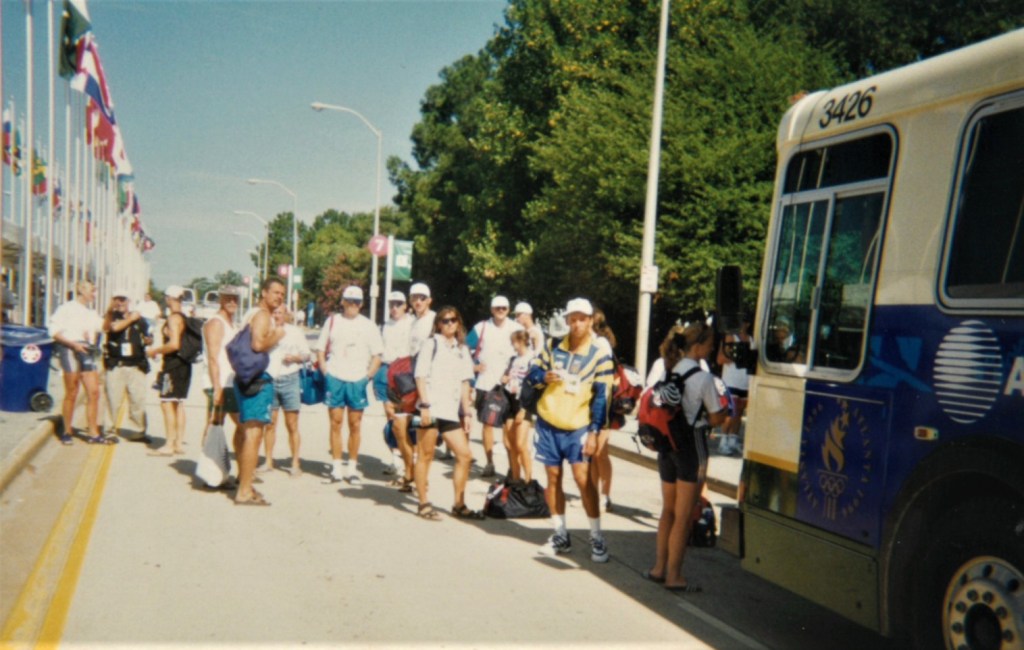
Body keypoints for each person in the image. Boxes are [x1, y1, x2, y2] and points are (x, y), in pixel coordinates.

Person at [527, 298, 614, 562]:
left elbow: (602, 396)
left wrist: (595, 432)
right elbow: (532, 373)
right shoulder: (553, 346)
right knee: (552, 479)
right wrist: (543, 377)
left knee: (583, 480)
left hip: (578, 426)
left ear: (590, 321)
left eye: (582, 319)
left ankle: (597, 537)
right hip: (548, 422)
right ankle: (560, 533)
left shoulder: (600, 354)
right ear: (567, 320)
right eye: (572, 318)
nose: (576, 324)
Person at [645, 321, 726, 593]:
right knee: (683, 515)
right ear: (699, 345)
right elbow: (716, 417)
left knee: (668, 511)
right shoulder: (704, 378)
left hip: (667, 447)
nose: (712, 348)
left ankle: (658, 568)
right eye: (710, 344)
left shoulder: (671, 369)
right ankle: (674, 576)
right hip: (691, 447)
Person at [412, 306, 480, 520]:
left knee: (465, 455)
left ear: (459, 323)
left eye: (453, 320)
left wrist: (467, 413)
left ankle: (458, 504)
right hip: (431, 408)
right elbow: (420, 376)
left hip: (450, 412)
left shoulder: (462, 349)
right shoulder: (431, 344)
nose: (449, 324)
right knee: (426, 455)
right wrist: (424, 406)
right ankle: (423, 503)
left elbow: (464, 381)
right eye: (444, 320)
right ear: (438, 324)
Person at [316, 285, 383, 483]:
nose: (352, 305)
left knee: (355, 424)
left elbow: (377, 355)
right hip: (335, 377)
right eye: (348, 301)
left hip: (357, 380)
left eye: (356, 302)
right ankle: (336, 468)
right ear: (342, 301)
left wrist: (367, 377)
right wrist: (326, 372)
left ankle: (351, 468)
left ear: (361, 304)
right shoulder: (333, 321)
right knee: (335, 423)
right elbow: (320, 349)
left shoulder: (368, 325)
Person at [233, 277, 286, 505]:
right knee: (254, 436)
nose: (279, 297)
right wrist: (278, 334)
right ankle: (244, 491)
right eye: (275, 292)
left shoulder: (254, 314)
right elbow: (257, 345)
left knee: (248, 434)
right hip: (259, 381)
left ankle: (245, 484)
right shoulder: (263, 316)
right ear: (263, 293)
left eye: (281, 293)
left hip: (249, 380)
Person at [48, 280, 108, 445]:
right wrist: (73, 344)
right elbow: (54, 332)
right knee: (72, 392)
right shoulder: (66, 308)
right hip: (69, 349)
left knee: (94, 392)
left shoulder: (91, 313)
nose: (94, 294)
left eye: (95, 291)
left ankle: (93, 433)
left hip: (86, 351)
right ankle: (67, 430)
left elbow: (104, 327)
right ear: (81, 290)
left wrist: (112, 311)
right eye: (91, 290)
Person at [388, 281, 435, 492]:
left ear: (429, 300)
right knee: (398, 427)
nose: (417, 301)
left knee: (425, 436)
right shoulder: (412, 322)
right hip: (409, 382)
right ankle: (409, 471)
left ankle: (420, 479)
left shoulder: (435, 320)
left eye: (422, 298)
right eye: (414, 297)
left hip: (429, 384)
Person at [468, 295, 523, 477]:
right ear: (491, 310)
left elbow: (526, 352)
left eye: (504, 308)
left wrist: (514, 374)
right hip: (485, 384)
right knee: (487, 425)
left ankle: (511, 466)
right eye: (497, 308)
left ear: (509, 310)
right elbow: (464, 350)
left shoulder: (516, 328)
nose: (501, 310)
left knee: (508, 428)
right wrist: (473, 367)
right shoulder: (481, 327)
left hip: (509, 386)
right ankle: (489, 463)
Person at [262, 305, 311, 476]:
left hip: (291, 378)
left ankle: (295, 462)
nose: (277, 315)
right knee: (270, 424)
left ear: (286, 315)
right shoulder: (266, 330)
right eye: (274, 312)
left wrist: (295, 358)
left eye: (280, 313)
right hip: (270, 379)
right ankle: (268, 460)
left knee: (292, 424)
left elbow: (307, 354)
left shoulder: (295, 332)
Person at [146, 286, 193, 456]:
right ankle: (178, 443)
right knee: (178, 403)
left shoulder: (173, 319)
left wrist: (155, 351)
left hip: (172, 365)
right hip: (184, 365)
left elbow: (174, 344)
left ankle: (169, 443)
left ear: (169, 298)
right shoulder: (184, 317)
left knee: (166, 402)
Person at [102, 289, 152, 442]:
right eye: (117, 299)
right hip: (117, 364)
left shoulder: (140, 320)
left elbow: (149, 336)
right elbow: (111, 328)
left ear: (129, 301)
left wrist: (149, 339)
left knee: (138, 400)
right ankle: (109, 431)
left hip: (136, 365)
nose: (120, 303)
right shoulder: (111, 317)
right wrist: (129, 319)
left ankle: (139, 430)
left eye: (123, 299)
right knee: (113, 399)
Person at [201, 286, 241, 477]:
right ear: (220, 300)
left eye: (235, 298)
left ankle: (222, 470)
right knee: (214, 424)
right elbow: (212, 357)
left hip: (231, 382)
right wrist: (216, 388)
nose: (232, 302)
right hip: (219, 383)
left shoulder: (231, 323)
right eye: (228, 299)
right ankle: (209, 471)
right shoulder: (216, 323)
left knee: (240, 425)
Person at [377, 290, 413, 475]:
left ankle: (408, 456)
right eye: (391, 304)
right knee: (389, 414)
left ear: (405, 305)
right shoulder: (385, 325)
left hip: (405, 373)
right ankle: (395, 457)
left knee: (405, 415)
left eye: (398, 304)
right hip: (386, 370)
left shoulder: (412, 323)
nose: (394, 307)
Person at [591, 308, 618, 512]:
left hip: (602, 400)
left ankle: (605, 495)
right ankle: (593, 492)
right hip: (587, 399)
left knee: (601, 450)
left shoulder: (600, 343)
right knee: (591, 451)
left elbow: (605, 378)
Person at [500, 330, 534, 483]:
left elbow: (533, 386)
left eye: (514, 341)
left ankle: (528, 479)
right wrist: (504, 378)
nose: (512, 345)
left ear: (520, 341)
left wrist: (524, 409)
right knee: (510, 444)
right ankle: (515, 478)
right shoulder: (513, 359)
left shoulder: (531, 359)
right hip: (510, 400)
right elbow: (506, 376)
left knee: (520, 444)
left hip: (523, 403)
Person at [716, 314, 752, 457]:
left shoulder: (752, 340)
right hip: (731, 381)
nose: (740, 324)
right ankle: (723, 441)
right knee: (731, 413)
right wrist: (737, 356)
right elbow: (720, 359)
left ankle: (733, 441)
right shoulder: (730, 337)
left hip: (745, 382)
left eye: (743, 321)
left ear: (747, 324)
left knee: (739, 413)